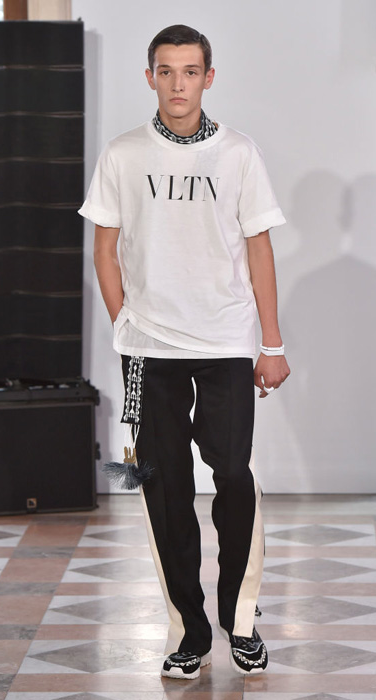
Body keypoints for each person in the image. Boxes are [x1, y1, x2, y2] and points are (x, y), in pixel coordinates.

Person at [79, 24, 290, 680]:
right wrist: (126, 326)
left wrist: (272, 343)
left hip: (225, 340)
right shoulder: (122, 154)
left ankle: (240, 620)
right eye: (166, 71)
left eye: (190, 71)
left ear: (208, 77)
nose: (178, 84)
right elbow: (104, 249)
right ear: (150, 78)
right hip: (148, 350)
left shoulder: (239, 154)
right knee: (162, 485)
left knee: (234, 477)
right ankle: (188, 631)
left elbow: (259, 247)